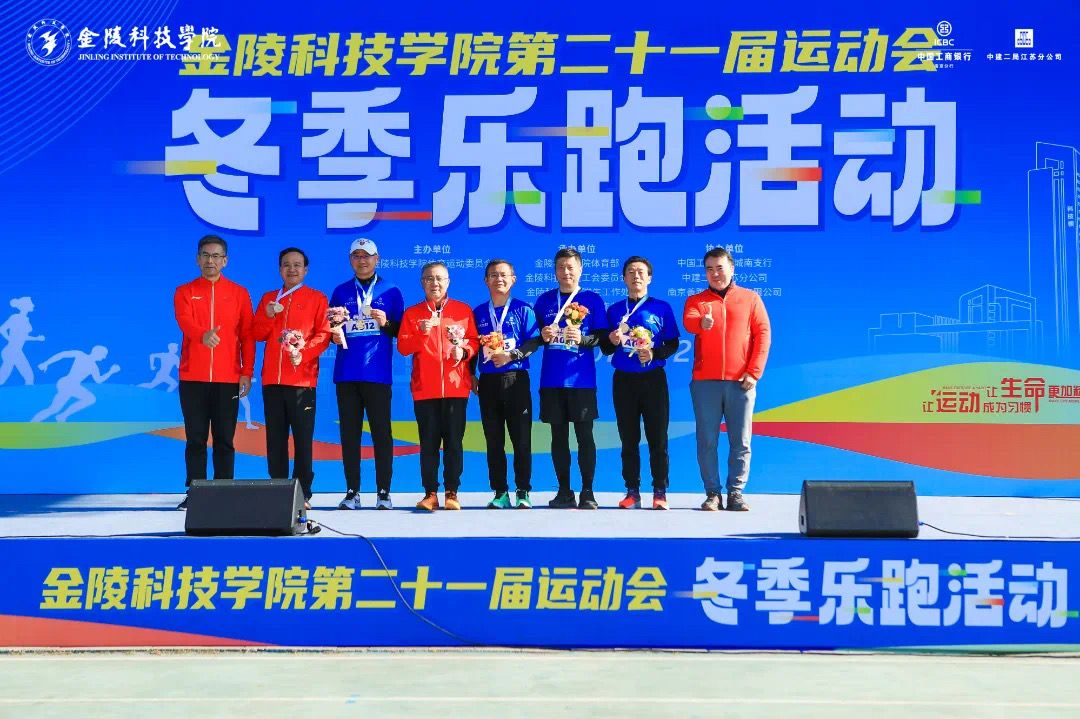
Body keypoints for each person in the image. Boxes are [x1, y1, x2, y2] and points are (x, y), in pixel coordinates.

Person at [683, 247, 771, 512]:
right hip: (705, 383)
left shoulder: (750, 298)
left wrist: (754, 372)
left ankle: (736, 493)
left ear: (731, 269)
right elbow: (689, 321)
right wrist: (703, 324)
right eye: (709, 269)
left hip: (741, 382)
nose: (715, 273)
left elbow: (763, 334)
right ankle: (712, 493)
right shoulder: (697, 300)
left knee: (741, 441)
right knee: (707, 441)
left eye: (720, 268)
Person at [173, 235, 255, 510]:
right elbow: (184, 320)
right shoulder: (184, 291)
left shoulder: (239, 293)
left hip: (227, 378)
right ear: (198, 259)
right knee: (195, 438)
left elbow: (247, 336)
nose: (211, 261)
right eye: (206, 255)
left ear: (225, 261)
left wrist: (246, 371)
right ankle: (195, 491)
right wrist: (202, 335)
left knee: (224, 439)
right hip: (192, 378)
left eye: (216, 256)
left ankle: (224, 491)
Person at [252, 247, 331, 510]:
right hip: (272, 382)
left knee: (302, 439)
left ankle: (302, 492)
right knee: (275, 438)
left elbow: (324, 335)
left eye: (297, 265)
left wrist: (303, 354)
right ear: (280, 269)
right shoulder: (269, 298)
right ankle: (277, 488)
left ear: (305, 270)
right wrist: (268, 315)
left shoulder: (317, 298)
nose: (292, 269)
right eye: (286, 264)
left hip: (302, 381)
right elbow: (257, 334)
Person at [599, 256, 681, 510]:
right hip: (624, 380)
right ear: (624, 278)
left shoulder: (661, 308)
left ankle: (660, 491)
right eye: (631, 272)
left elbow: (673, 343)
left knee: (658, 437)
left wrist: (654, 353)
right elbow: (605, 348)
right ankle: (632, 491)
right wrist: (612, 340)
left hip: (653, 379)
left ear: (649, 278)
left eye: (641, 272)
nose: (636, 276)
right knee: (628, 438)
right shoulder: (614, 310)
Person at [328, 238, 404, 510]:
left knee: (382, 434)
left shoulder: (391, 290)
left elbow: (401, 331)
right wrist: (333, 333)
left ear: (377, 258)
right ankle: (352, 492)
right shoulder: (340, 291)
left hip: (377, 374)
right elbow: (331, 327)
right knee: (350, 435)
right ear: (351, 260)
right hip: (346, 373)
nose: (362, 260)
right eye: (357, 256)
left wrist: (387, 323)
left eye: (367, 256)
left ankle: (384, 492)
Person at [397, 261, 478, 511]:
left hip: (456, 387)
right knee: (429, 443)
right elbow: (403, 348)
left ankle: (452, 492)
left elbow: (474, 341)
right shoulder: (412, 314)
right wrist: (421, 333)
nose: (435, 283)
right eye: (430, 279)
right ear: (422, 283)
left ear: (448, 282)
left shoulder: (463, 310)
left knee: (454, 442)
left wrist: (464, 351)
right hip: (425, 389)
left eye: (440, 278)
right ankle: (430, 493)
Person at [534, 247, 609, 509]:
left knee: (585, 436)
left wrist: (583, 339)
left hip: (581, 381)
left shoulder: (592, 299)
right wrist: (543, 335)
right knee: (558, 437)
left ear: (580, 269)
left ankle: (588, 491)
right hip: (551, 380)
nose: (566, 272)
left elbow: (603, 338)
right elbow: (533, 338)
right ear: (555, 271)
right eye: (561, 267)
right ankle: (564, 491)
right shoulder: (544, 301)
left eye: (570, 267)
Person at [472, 259, 541, 509]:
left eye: (503, 275)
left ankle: (523, 491)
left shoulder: (523, 309)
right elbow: (471, 347)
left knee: (521, 439)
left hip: (516, 380)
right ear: (486, 281)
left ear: (513, 279)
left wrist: (511, 356)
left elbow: (534, 342)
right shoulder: (478, 312)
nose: (498, 279)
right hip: (488, 383)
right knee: (493, 440)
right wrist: (471, 375)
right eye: (493, 275)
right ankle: (500, 491)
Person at [31, 345, 120, 422]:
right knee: (54, 409)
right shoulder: (81, 356)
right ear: (97, 353)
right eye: (104, 355)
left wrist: (110, 372)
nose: (104, 357)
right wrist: (46, 363)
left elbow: (98, 380)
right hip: (67, 384)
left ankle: (62, 416)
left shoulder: (93, 366)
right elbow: (62, 354)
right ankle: (38, 421)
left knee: (89, 399)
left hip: (72, 385)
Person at [0, 297, 45, 386]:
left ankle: (28, 394)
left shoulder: (25, 319)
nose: (33, 305)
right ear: (25, 306)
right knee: (27, 376)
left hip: (16, 351)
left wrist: (36, 338)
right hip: (11, 351)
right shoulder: (15, 318)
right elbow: (2, 329)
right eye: (31, 303)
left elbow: (22, 337)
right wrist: (9, 339)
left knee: (29, 377)